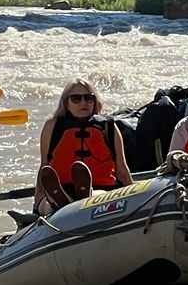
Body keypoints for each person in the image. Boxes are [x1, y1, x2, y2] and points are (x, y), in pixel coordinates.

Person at [35, 80, 132, 216]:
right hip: (61, 188)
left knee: (99, 196)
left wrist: (135, 196)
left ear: (95, 101)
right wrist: (37, 203)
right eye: (76, 98)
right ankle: (60, 202)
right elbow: (44, 166)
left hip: (100, 191)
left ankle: (78, 199)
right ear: (65, 103)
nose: (83, 103)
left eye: (88, 98)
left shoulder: (108, 127)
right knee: (45, 206)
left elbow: (122, 170)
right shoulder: (52, 126)